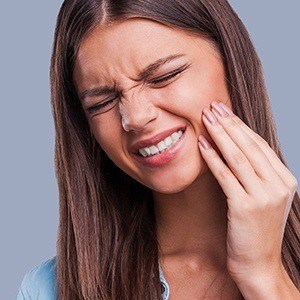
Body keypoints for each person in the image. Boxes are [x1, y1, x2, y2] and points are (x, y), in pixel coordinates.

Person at [17, 0, 300, 299]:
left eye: (164, 76)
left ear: (232, 61)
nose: (135, 118)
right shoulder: (45, 290)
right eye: (102, 103)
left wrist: (265, 277)